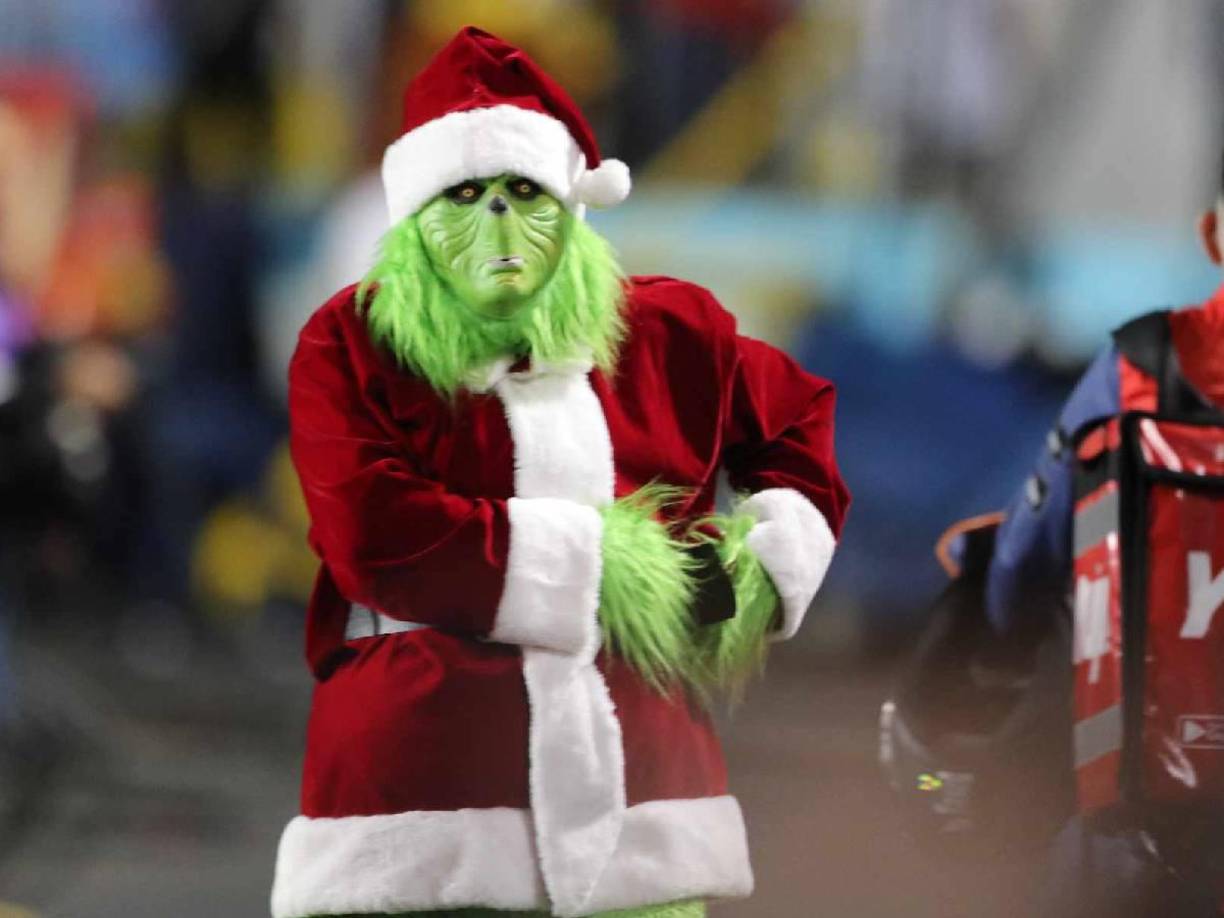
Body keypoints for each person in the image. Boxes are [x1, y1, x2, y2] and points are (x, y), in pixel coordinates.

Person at [270, 27, 849, 918]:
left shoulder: (669, 331)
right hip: (420, 806)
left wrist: (765, 568)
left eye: (523, 192)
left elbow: (796, 416)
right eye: (465, 194)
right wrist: (619, 574)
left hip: (646, 802)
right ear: (417, 215)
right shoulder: (352, 343)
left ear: (571, 203)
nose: (497, 222)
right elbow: (375, 532)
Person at [986, 156, 1224, 917]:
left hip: (1143, 814)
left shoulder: (1139, 368)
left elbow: (1027, 558)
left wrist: (1003, 626)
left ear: (1212, 236)